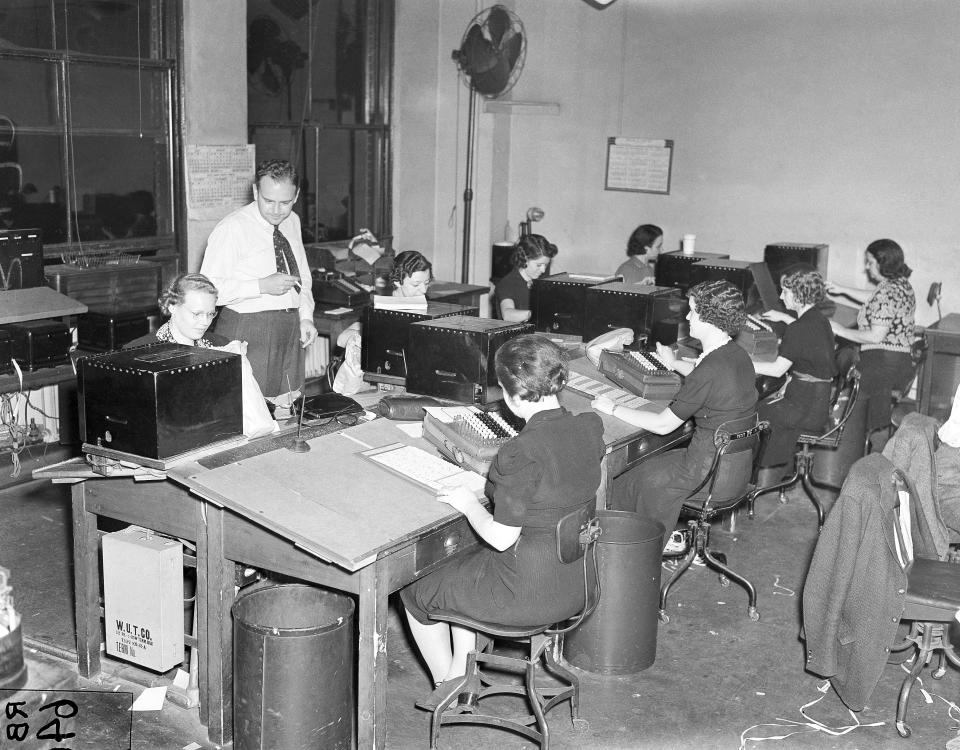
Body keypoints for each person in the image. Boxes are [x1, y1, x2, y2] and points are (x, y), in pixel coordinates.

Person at [400, 334, 604, 706]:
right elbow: (553, 487)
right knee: (460, 568)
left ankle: (444, 684)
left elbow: (500, 538)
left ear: (511, 394)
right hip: (576, 583)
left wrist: (467, 502)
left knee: (415, 592)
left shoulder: (520, 452)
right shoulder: (589, 427)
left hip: (525, 594)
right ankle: (463, 676)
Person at [593, 280, 758, 544]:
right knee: (652, 465)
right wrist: (674, 363)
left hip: (703, 470)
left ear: (709, 318)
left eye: (693, 311)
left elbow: (662, 425)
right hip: (733, 466)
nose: (688, 317)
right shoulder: (737, 355)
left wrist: (612, 407)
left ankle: (638, 548)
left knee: (626, 481)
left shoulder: (710, 369)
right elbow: (711, 384)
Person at [200, 159, 318, 403]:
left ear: (296, 196)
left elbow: (302, 276)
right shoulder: (232, 228)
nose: (276, 210)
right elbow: (207, 291)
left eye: (285, 202)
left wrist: (305, 317)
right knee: (252, 411)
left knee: (290, 406)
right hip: (248, 329)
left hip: (290, 327)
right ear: (255, 192)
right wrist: (261, 286)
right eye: (268, 201)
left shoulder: (292, 221)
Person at [825, 239, 916, 438]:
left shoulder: (887, 292)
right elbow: (874, 296)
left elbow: (875, 336)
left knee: (846, 397)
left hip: (883, 365)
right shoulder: (899, 284)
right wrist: (842, 289)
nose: (867, 267)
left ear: (882, 263)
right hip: (900, 362)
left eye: (870, 262)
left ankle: (853, 441)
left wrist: (839, 329)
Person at [753, 269, 837, 472]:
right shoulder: (819, 319)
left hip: (804, 408)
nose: (781, 297)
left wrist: (744, 362)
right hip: (817, 402)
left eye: (785, 292)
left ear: (799, 297)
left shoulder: (798, 329)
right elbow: (805, 331)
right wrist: (783, 317)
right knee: (766, 404)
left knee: (755, 412)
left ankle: (757, 475)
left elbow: (776, 370)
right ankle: (778, 471)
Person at [331, 250, 433, 395]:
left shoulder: (427, 307)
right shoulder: (381, 310)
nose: (423, 290)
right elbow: (342, 340)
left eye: (427, 283)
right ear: (397, 281)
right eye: (416, 284)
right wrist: (364, 337)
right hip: (381, 382)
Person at [125, 273, 230, 349]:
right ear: (172, 306)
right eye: (197, 314)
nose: (205, 322)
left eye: (210, 314)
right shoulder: (137, 351)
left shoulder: (222, 345)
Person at [493, 233, 557, 322]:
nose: (543, 270)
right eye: (539, 265)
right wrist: (535, 314)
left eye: (546, 265)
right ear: (524, 259)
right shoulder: (507, 283)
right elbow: (507, 315)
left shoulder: (541, 281)